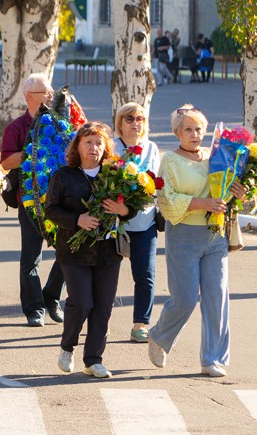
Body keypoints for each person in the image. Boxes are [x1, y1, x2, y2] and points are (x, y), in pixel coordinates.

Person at [148, 105, 244, 378]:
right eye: (188, 129)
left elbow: (227, 192)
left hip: (216, 235)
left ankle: (211, 359)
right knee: (186, 299)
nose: (194, 134)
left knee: (217, 299)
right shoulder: (171, 161)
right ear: (177, 132)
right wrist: (202, 202)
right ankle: (159, 336)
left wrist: (240, 190)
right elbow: (166, 201)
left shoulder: (215, 156)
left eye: (199, 128)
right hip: (184, 236)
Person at [45, 122, 136, 379]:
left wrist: (124, 211)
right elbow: (50, 209)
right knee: (82, 302)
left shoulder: (117, 175)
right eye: (88, 142)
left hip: (108, 252)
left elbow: (133, 206)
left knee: (103, 306)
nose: (93, 147)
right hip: (74, 252)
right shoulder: (64, 175)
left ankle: (94, 359)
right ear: (78, 146)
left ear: (106, 147)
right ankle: (67, 345)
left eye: (98, 143)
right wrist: (78, 220)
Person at [0, 73, 66, 327]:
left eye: (51, 92)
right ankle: (34, 308)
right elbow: (6, 161)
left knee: (66, 253)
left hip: (60, 200)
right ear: (30, 96)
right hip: (29, 200)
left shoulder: (58, 123)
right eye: (46, 93)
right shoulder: (16, 127)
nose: (51, 96)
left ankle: (51, 297)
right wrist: (33, 148)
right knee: (31, 257)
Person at [109, 103, 162, 343]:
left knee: (145, 275)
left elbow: (157, 183)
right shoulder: (111, 147)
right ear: (119, 122)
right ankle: (100, 321)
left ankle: (140, 324)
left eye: (140, 118)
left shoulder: (151, 148)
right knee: (106, 276)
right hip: (114, 222)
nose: (135, 122)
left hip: (144, 222)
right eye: (129, 118)